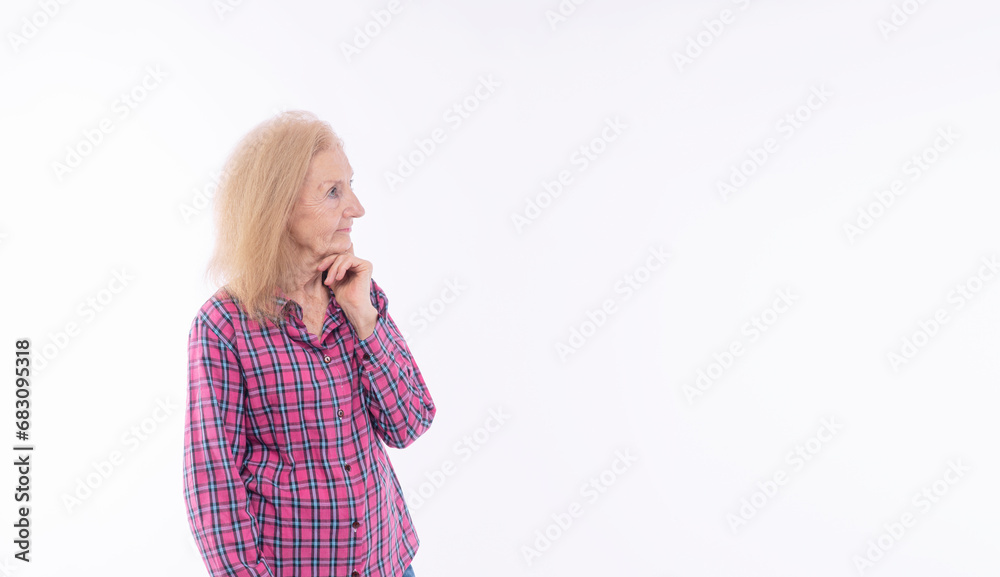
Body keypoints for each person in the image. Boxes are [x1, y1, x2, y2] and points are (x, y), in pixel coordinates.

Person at [183, 110, 435, 577]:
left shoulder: (358, 295)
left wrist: (365, 317)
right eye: (333, 192)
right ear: (277, 206)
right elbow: (213, 486)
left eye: (350, 186)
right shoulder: (224, 326)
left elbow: (410, 423)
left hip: (387, 561)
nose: (356, 207)